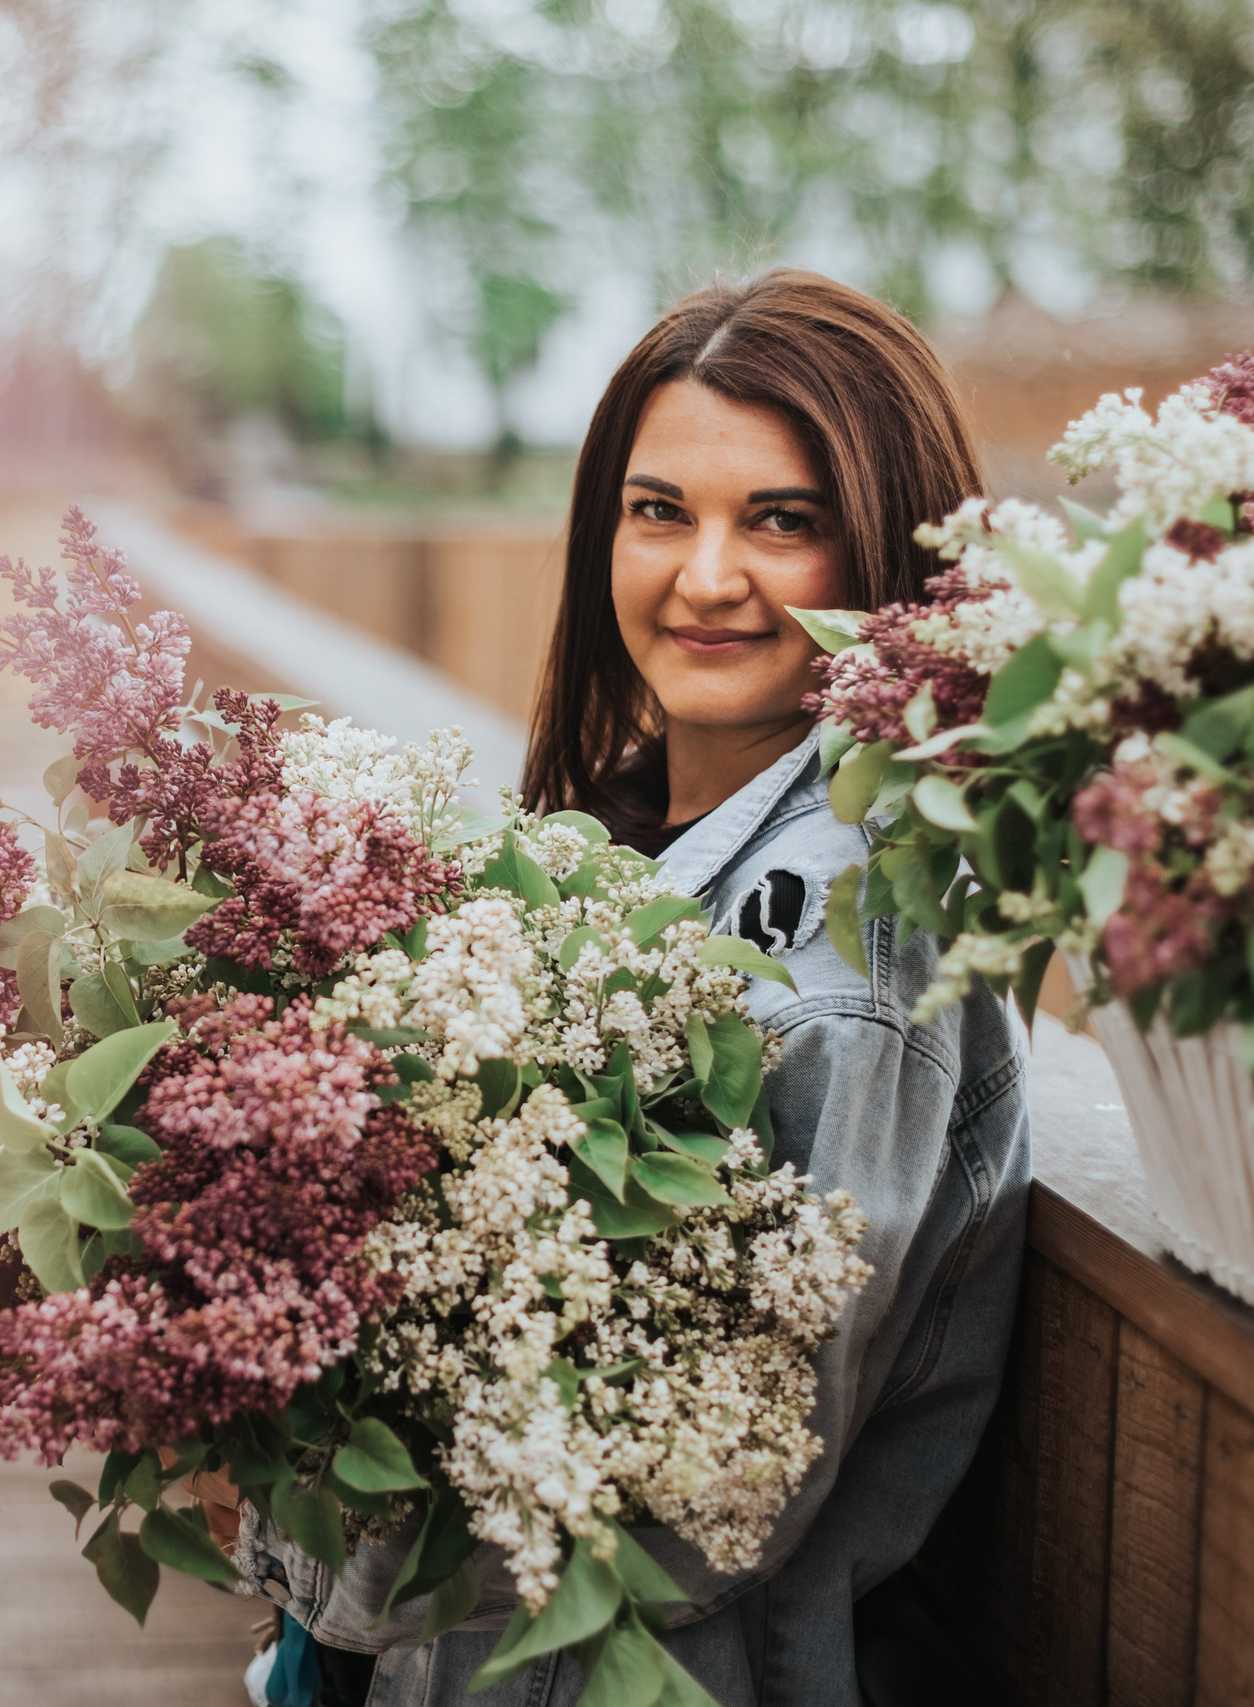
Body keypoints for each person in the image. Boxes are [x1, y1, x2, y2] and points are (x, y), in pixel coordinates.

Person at [218, 268, 1031, 1707]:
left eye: (782, 521)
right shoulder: (608, 834)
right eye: (660, 511)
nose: (704, 578)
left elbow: (720, 1492)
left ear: (892, 558)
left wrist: (304, 1524)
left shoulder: (849, 966)